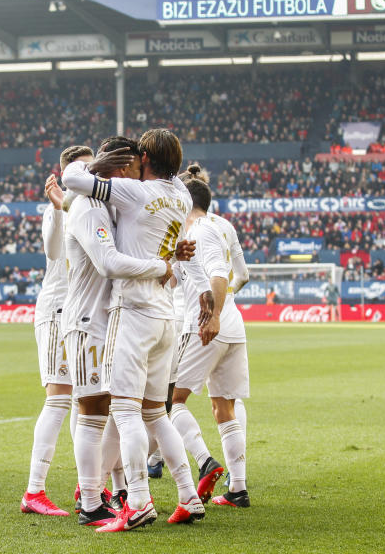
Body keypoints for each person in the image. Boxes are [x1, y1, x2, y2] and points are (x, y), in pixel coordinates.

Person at [62, 128, 209, 532]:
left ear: (141, 161)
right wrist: (169, 261)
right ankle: (188, 495)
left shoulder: (133, 194)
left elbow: (72, 178)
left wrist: (96, 168)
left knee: (123, 411)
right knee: (153, 413)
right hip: (164, 315)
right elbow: (172, 174)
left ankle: (138, 502)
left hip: (133, 310)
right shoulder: (179, 195)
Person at [170, 177, 251, 509]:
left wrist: (212, 315)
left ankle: (205, 461)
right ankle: (238, 489)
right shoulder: (215, 228)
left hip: (206, 324)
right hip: (234, 326)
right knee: (223, 406)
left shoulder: (200, 231)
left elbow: (219, 274)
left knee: (169, 402)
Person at [21, 145, 93, 517]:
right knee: (59, 398)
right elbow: (52, 252)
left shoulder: (90, 207)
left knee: (88, 400)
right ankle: (34, 491)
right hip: (57, 311)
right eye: (80, 167)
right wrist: (56, 206)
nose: (86, 172)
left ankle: (88, 487)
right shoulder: (58, 209)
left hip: (82, 315)